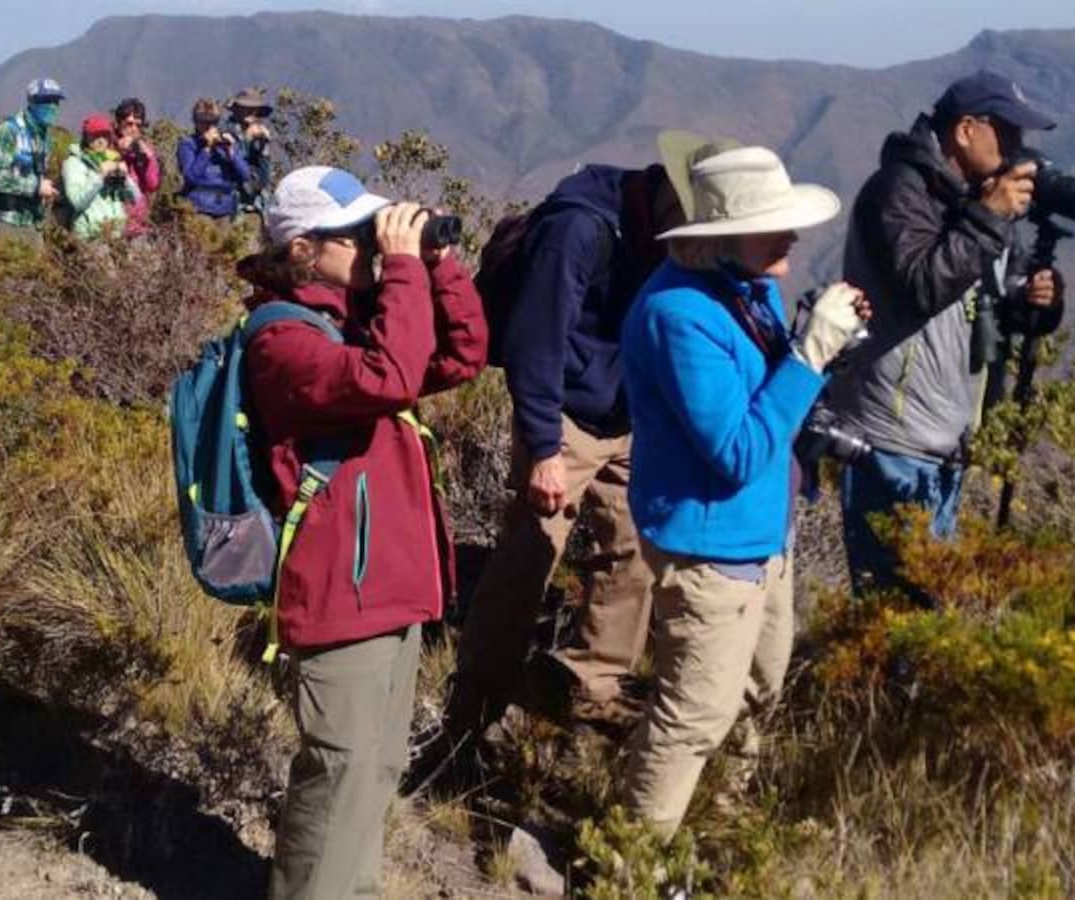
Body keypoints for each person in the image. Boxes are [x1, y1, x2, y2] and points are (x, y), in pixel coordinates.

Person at [242, 166, 487, 899]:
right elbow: (388, 378)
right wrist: (406, 272)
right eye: (355, 235)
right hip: (339, 591)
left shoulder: (352, 320)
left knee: (376, 767)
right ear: (303, 251)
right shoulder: (280, 341)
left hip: (393, 584)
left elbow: (461, 354)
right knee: (340, 768)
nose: (371, 246)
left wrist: (435, 266)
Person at [443, 131, 736, 740]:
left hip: (633, 416)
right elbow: (536, 343)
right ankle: (470, 714)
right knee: (529, 557)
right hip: (567, 419)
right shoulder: (580, 228)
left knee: (634, 551)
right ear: (671, 195)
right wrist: (545, 449)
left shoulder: (671, 240)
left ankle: (588, 686)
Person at [618, 146, 868, 837]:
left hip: (762, 536)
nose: (791, 235)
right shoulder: (681, 315)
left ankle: (717, 825)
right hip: (711, 546)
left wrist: (818, 351)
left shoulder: (746, 288)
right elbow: (735, 453)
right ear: (722, 236)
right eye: (773, 223)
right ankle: (627, 863)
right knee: (693, 714)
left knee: (757, 693)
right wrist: (809, 354)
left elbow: (767, 402)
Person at [829, 70, 1063, 594]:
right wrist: (988, 216)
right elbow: (920, 288)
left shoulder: (975, 200)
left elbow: (990, 305)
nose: (1017, 150)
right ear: (965, 130)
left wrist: (1039, 301)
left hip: (947, 441)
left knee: (931, 609)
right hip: (890, 438)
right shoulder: (897, 192)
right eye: (1006, 133)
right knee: (892, 614)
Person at [0, 77, 65, 246]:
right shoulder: (8, 131)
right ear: (32, 101)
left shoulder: (45, 138)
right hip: (3, 223)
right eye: (46, 100)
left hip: (31, 224)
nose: (52, 106)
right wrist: (35, 187)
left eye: (56, 101)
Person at [60, 114, 140, 241]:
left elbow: (135, 199)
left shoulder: (113, 159)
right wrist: (100, 176)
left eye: (105, 135)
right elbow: (77, 202)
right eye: (95, 135)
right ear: (86, 137)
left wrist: (126, 179)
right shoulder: (74, 163)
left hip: (115, 236)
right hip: (88, 237)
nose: (101, 140)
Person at [176, 98, 250, 224]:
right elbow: (191, 177)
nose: (209, 127)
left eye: (213, 122)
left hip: (225, 209)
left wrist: (231, 153)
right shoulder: (188, 144)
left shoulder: (225, 144)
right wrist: (207, 149)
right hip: (199, 207)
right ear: (196, 122)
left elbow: (245, 175)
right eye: (204, 122)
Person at [113, 98, 162, 236]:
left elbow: (152, 184)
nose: (133, 129)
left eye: (138, 125)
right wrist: (119, 153)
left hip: (138, 224)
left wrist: (149, 158)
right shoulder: (107, 146)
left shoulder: (144, 149)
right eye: (129, 124)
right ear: (118, 123)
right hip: (113, 224)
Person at [223, 87, 274, 216]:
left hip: (256, 203)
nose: (251, 112)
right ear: (237, 110)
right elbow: (234, 164)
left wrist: (264, 148)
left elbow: (264, 178)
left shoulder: (259, 135)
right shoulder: (225, 132)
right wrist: (247, 139)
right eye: (246, 108)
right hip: (230, 200)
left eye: (254, 109)